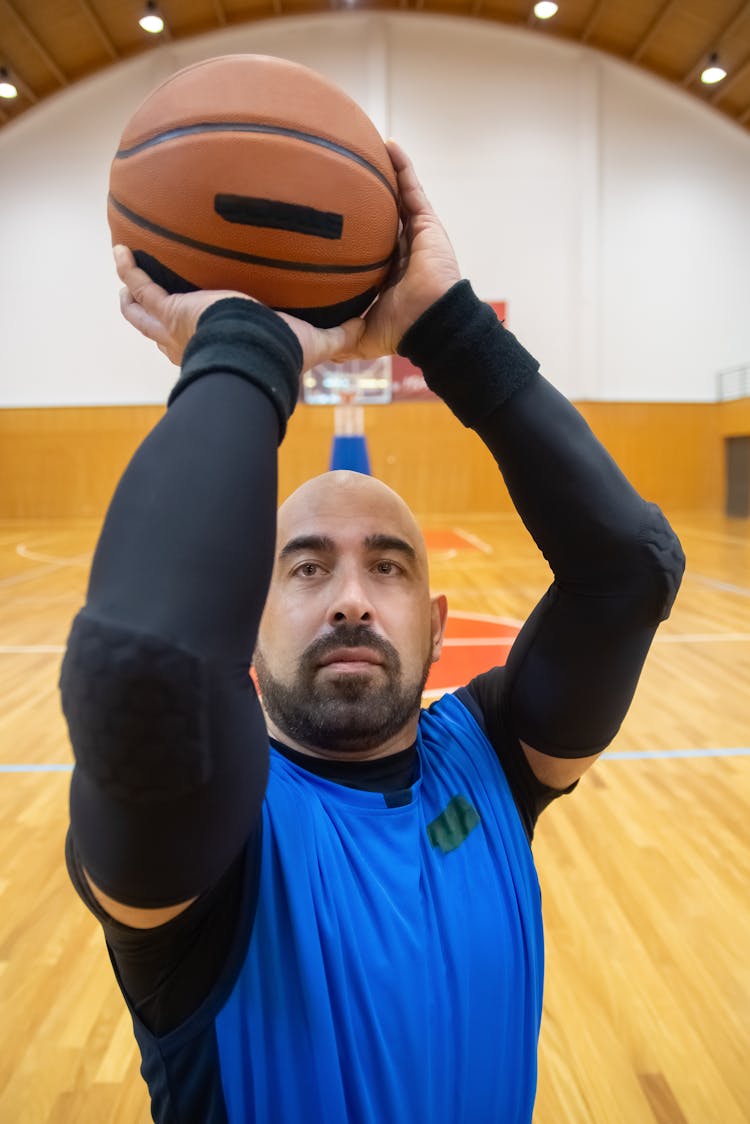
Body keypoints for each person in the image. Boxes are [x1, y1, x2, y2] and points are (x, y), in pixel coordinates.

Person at [60, 141, 685, 1124]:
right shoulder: (215, 844)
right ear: (243, 623)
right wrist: (243, 343)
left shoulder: (493, 756)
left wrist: (449, 328)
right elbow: (145, 677)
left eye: (387, 564)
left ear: (436, 627)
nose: (351, 596)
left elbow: (630, 570)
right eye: (305, 566)